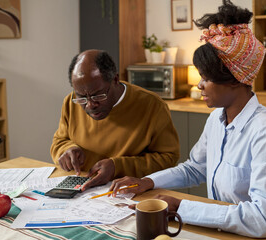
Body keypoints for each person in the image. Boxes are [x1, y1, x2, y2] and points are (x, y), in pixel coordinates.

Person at [107, 1, 266, 238]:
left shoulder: (264, 130)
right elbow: (195, 168)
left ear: (235, 79)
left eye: (206, 78)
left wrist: (181, 207)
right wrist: (147, 181)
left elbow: (264, 219)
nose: (199, 84)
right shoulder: (217, 118)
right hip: (235, 230)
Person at [50, 49, 180, 190]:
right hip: (81, 190)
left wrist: (118, 167)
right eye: (81, 97)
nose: (90, 105)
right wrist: (68, 149)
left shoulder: (152, 105)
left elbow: (169, 158)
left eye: (98, 96)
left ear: (115, 80)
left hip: (129, 191)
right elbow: (59, 141)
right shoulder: (70, 102)